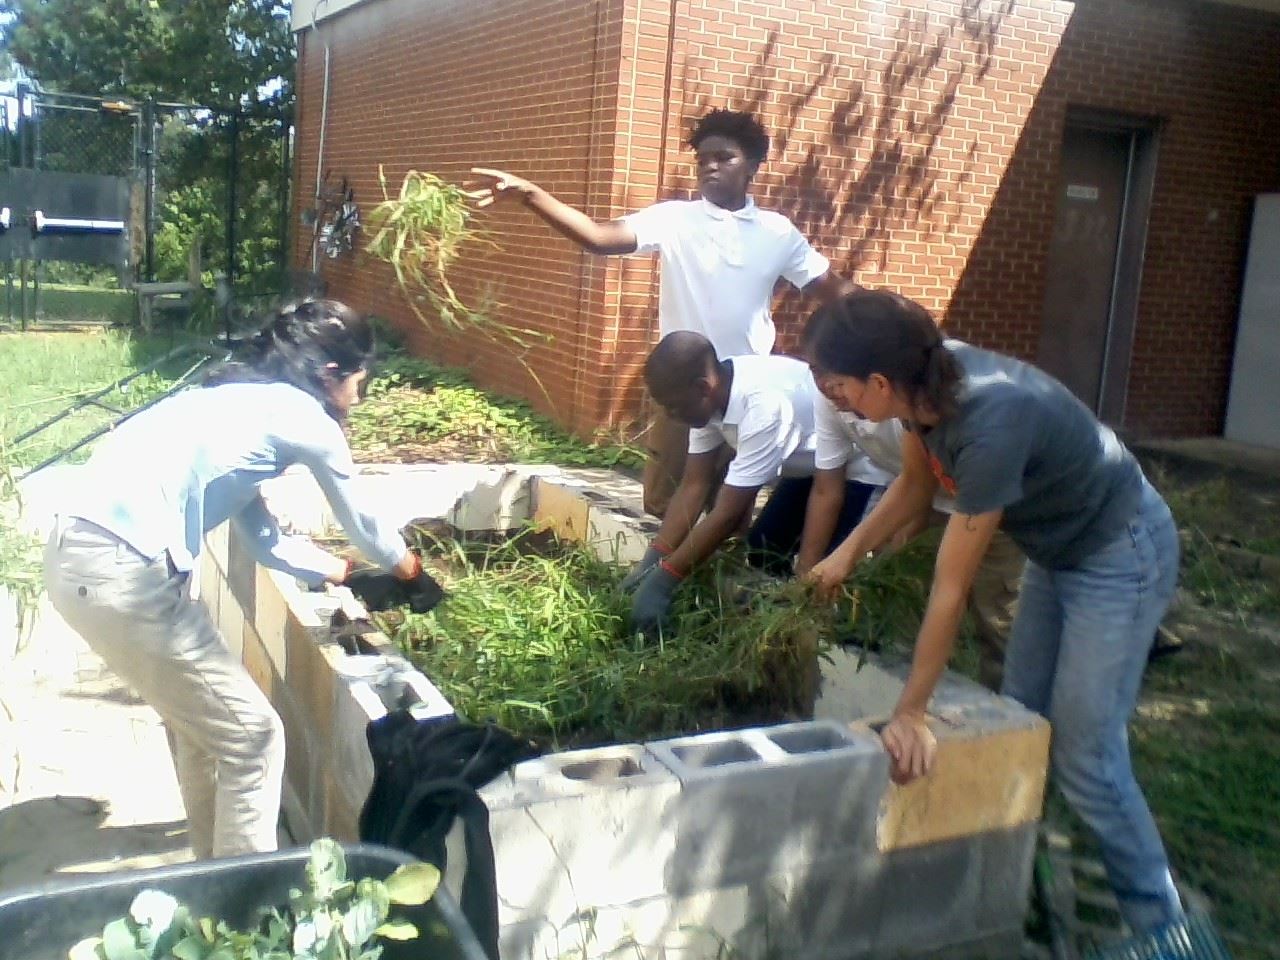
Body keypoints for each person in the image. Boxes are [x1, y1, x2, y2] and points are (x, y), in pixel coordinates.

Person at [802, 289, 1184, 934]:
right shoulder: (918, 388)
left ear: (875, 381)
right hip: (1056, 549)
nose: (829, 395)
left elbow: (951, 587)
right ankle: (1029, 872)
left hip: (1120, 551)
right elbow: (917, 485)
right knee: (1022, 717)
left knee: (1087, 751)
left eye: (833, 383)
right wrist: (842, 558)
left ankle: (1160, 923)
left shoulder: (989, 419)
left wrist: (913, 712)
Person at [42, 299, 443, 860]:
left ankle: (210, 881)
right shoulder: (307, 418)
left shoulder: (233, 404)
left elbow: (264, 539)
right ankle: (244, 913)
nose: (361, 394)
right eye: (361, 381)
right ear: (331, 374)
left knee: (208, 732)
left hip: (78, 558)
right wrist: (413, 574)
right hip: (124, 572)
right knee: (254, 740)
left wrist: (345, 575)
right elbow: (369, 523)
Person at [466, 108, 855, 517]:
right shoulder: (674, 218)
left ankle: (713, 579)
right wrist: (531, 195)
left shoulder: (777, 232)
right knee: (665, 503)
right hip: (685, 388)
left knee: (731, 508)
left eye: (724, 158)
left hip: (745, 391)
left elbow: (833, 290)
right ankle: (664, 573)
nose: (710, 168)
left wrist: (898, 318)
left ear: (753, 165)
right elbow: (600, 238)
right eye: (702, 160)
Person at [623, 331, 884, 635]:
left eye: (674, 407)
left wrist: (665, 580)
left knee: (829, 568)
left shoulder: (764, 408)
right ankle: (778, 618)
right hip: (810, 467)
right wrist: (653, 559)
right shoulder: (709, 400)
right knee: (764, 549)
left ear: (702, 388)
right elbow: (694, 485)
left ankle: (844, 628)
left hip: (860, 467)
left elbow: (727, 514)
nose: (670, 416)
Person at [796, 364, 1026, 691]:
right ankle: (925, 698)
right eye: (816, 373)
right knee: (910, 605)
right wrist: (817, 570)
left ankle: (1011, 718)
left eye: (835, 375)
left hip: (992, 503)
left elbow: (921, 481)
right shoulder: (840, 400)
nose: (828, 387)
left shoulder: (911, 395)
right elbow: (912, 483)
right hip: (929, 495)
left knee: (995, 616)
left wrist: (910, 713)